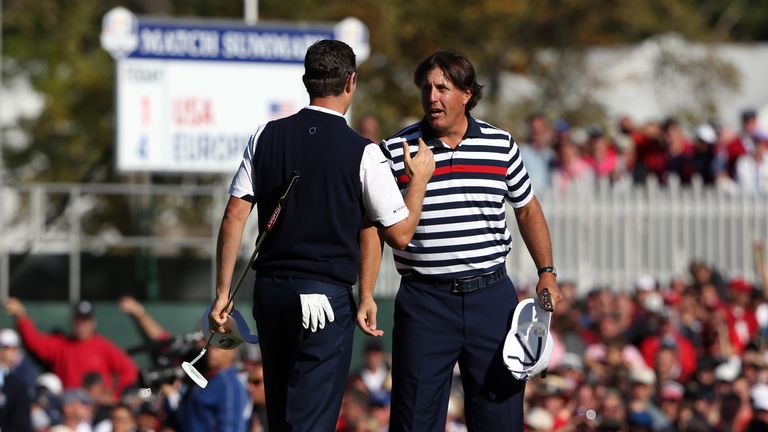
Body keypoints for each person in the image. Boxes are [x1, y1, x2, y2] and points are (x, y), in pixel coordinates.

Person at [206, 39, 434, 431]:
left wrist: (223, 293)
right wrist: (419, 183)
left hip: (270, 293)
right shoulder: (363, 151)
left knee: (280, 416)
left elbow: (233, 216)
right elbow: (398, 234)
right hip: (323, 300)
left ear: (306, 81)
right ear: (351, 81)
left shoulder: (264, 135)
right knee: (310, 422)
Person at [359, 49, 561, 431]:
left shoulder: (500, 145)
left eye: (442, 88)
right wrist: (366, 292)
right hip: (424, 302)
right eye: (426, 88)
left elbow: (528, 209)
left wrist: (547, 272)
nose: (432, 97)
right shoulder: (394, 150)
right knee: (414, 419)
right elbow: (371, 226)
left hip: (491, 297)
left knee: (499, 417)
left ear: (467, 93)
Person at [4, 298, 139, 400]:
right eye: (78, 320)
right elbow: (34, 341)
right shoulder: (62, 345)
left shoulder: (104, 346)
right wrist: (21, 316)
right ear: (72, 321)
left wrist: (115, 395)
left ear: (93, 322)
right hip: (68, 405)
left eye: (86, 320)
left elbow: (129, 369)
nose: (82, 324)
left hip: (97, 407)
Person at [164, 345, 248, 432]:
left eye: (218, 348)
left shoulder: (230, 386)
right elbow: (189, 418)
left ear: (232, 352)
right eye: (210, 347)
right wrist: (172, 397)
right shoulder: (207, 377)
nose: (211, 351)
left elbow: (231, 428)